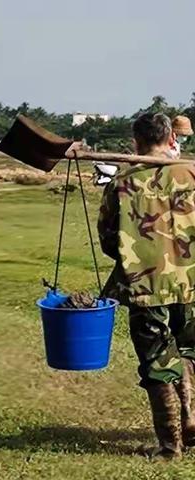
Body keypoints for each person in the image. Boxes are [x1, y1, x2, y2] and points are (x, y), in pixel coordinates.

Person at [98, 112, 195, 460]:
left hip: (145, 287)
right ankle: (190, 418)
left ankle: (171, 446)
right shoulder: (191, 173)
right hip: (192, 284)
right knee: (189, 352)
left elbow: (109, 240)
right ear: (171, 137)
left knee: (156, 363)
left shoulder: (122, 183)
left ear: (135, 141)